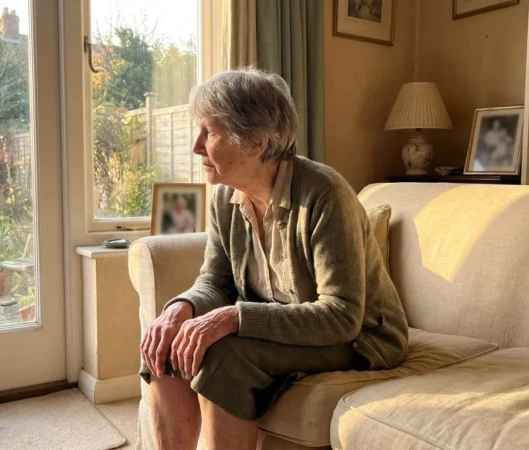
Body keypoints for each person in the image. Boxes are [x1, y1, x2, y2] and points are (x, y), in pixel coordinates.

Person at [139, 67, 409, 450]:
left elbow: (342, 315)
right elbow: (217, 281)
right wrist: (181, 307)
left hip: (364, 336)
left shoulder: (325, 194)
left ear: (257, 143)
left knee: (222, 356)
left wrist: (233, 317)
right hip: (287, 320)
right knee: (165, 342)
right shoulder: (225, 196)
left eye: (210, 132)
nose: (196, 146)